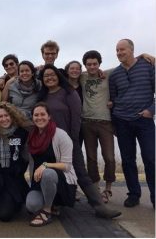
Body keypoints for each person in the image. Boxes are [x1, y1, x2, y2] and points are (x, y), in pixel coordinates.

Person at [38, 64, 121, 219]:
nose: (49, 77)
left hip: (68, 141)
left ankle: (99, 207)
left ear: (58, 76)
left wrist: (72, 140)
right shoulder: (42, 96)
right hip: (48, 144)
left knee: (81, 174)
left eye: (52, 74)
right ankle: (55, 204)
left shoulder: (68, 93)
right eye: (45, 76)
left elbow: (76, 118)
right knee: (53, 174)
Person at [109, 39, 155, 208]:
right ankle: (134, 194)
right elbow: (113, 99)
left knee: (150, 158)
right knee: (128, 160)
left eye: (122, 49)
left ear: (132, 50)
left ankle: (154, 195)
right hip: (122, 121)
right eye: (117, 50)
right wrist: (114, 122)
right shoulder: (114, 75)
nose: (119, 53)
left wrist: (152, 110)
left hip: (145, 121)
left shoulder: (148, 66)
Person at [26, 102, 77, 227]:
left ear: (49, 116)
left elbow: (67, 166)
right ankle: (51, 203)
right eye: (36, 115)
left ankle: (47, 210)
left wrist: (46, 165)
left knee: (48, 173)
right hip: (38, 181)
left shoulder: (60, 135)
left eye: (43, 114)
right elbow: (31, 160)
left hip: (61, 182)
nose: (39, 117)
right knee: (32, 206)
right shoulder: (32, 136)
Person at [80, 50, 116, 203]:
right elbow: (66, 72)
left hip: (105, 122)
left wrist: (143, 56)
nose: (92, 67)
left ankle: (108, 188)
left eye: (95, 64)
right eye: (89, 64)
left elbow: (126, 64)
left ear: (100, 64)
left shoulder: (108, 74)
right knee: (91, 157)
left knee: (109, 157)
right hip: (87, 122)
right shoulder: (82, 77)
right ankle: (96, 188)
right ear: (85, 65)